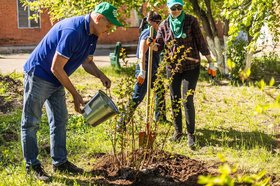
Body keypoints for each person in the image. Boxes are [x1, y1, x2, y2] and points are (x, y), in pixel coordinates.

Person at [21, 2, 122, 181]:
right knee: (31, 123)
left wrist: (100, 75)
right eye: (108, 25)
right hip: (39, 75)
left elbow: (87, 61)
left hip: (57, 78)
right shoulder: (73, 31)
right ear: (98, 18)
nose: (109, 29)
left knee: (60, 120)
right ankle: (32, 166)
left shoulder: (93, 34)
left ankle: (60, 162)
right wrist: (76, 95)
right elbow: (56, 67)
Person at [154, 0, 214, 147]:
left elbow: (200, 42)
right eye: (173, 8)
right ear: (168, 8)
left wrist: (210, 61)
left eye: (178, 7)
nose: (175, 10)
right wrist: (151, 44)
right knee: (174, 99)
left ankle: (190, 134)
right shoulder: (164, 25)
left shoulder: (191, 21)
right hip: (172, 67)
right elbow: (159, 47)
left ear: (182, 7)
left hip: (191, 66)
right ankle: (178, 132)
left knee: (187, 99)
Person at [118, 11, 166, 130]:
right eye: (159, 22)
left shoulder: (156, 33)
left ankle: (160, 118)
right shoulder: (148, 32)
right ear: (154, 22)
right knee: (137, 96)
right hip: (145, 69)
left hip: (153, 69)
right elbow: (141, 53)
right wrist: (142, 72)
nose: (160, 25)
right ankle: (121, 123)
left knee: (160, 91)